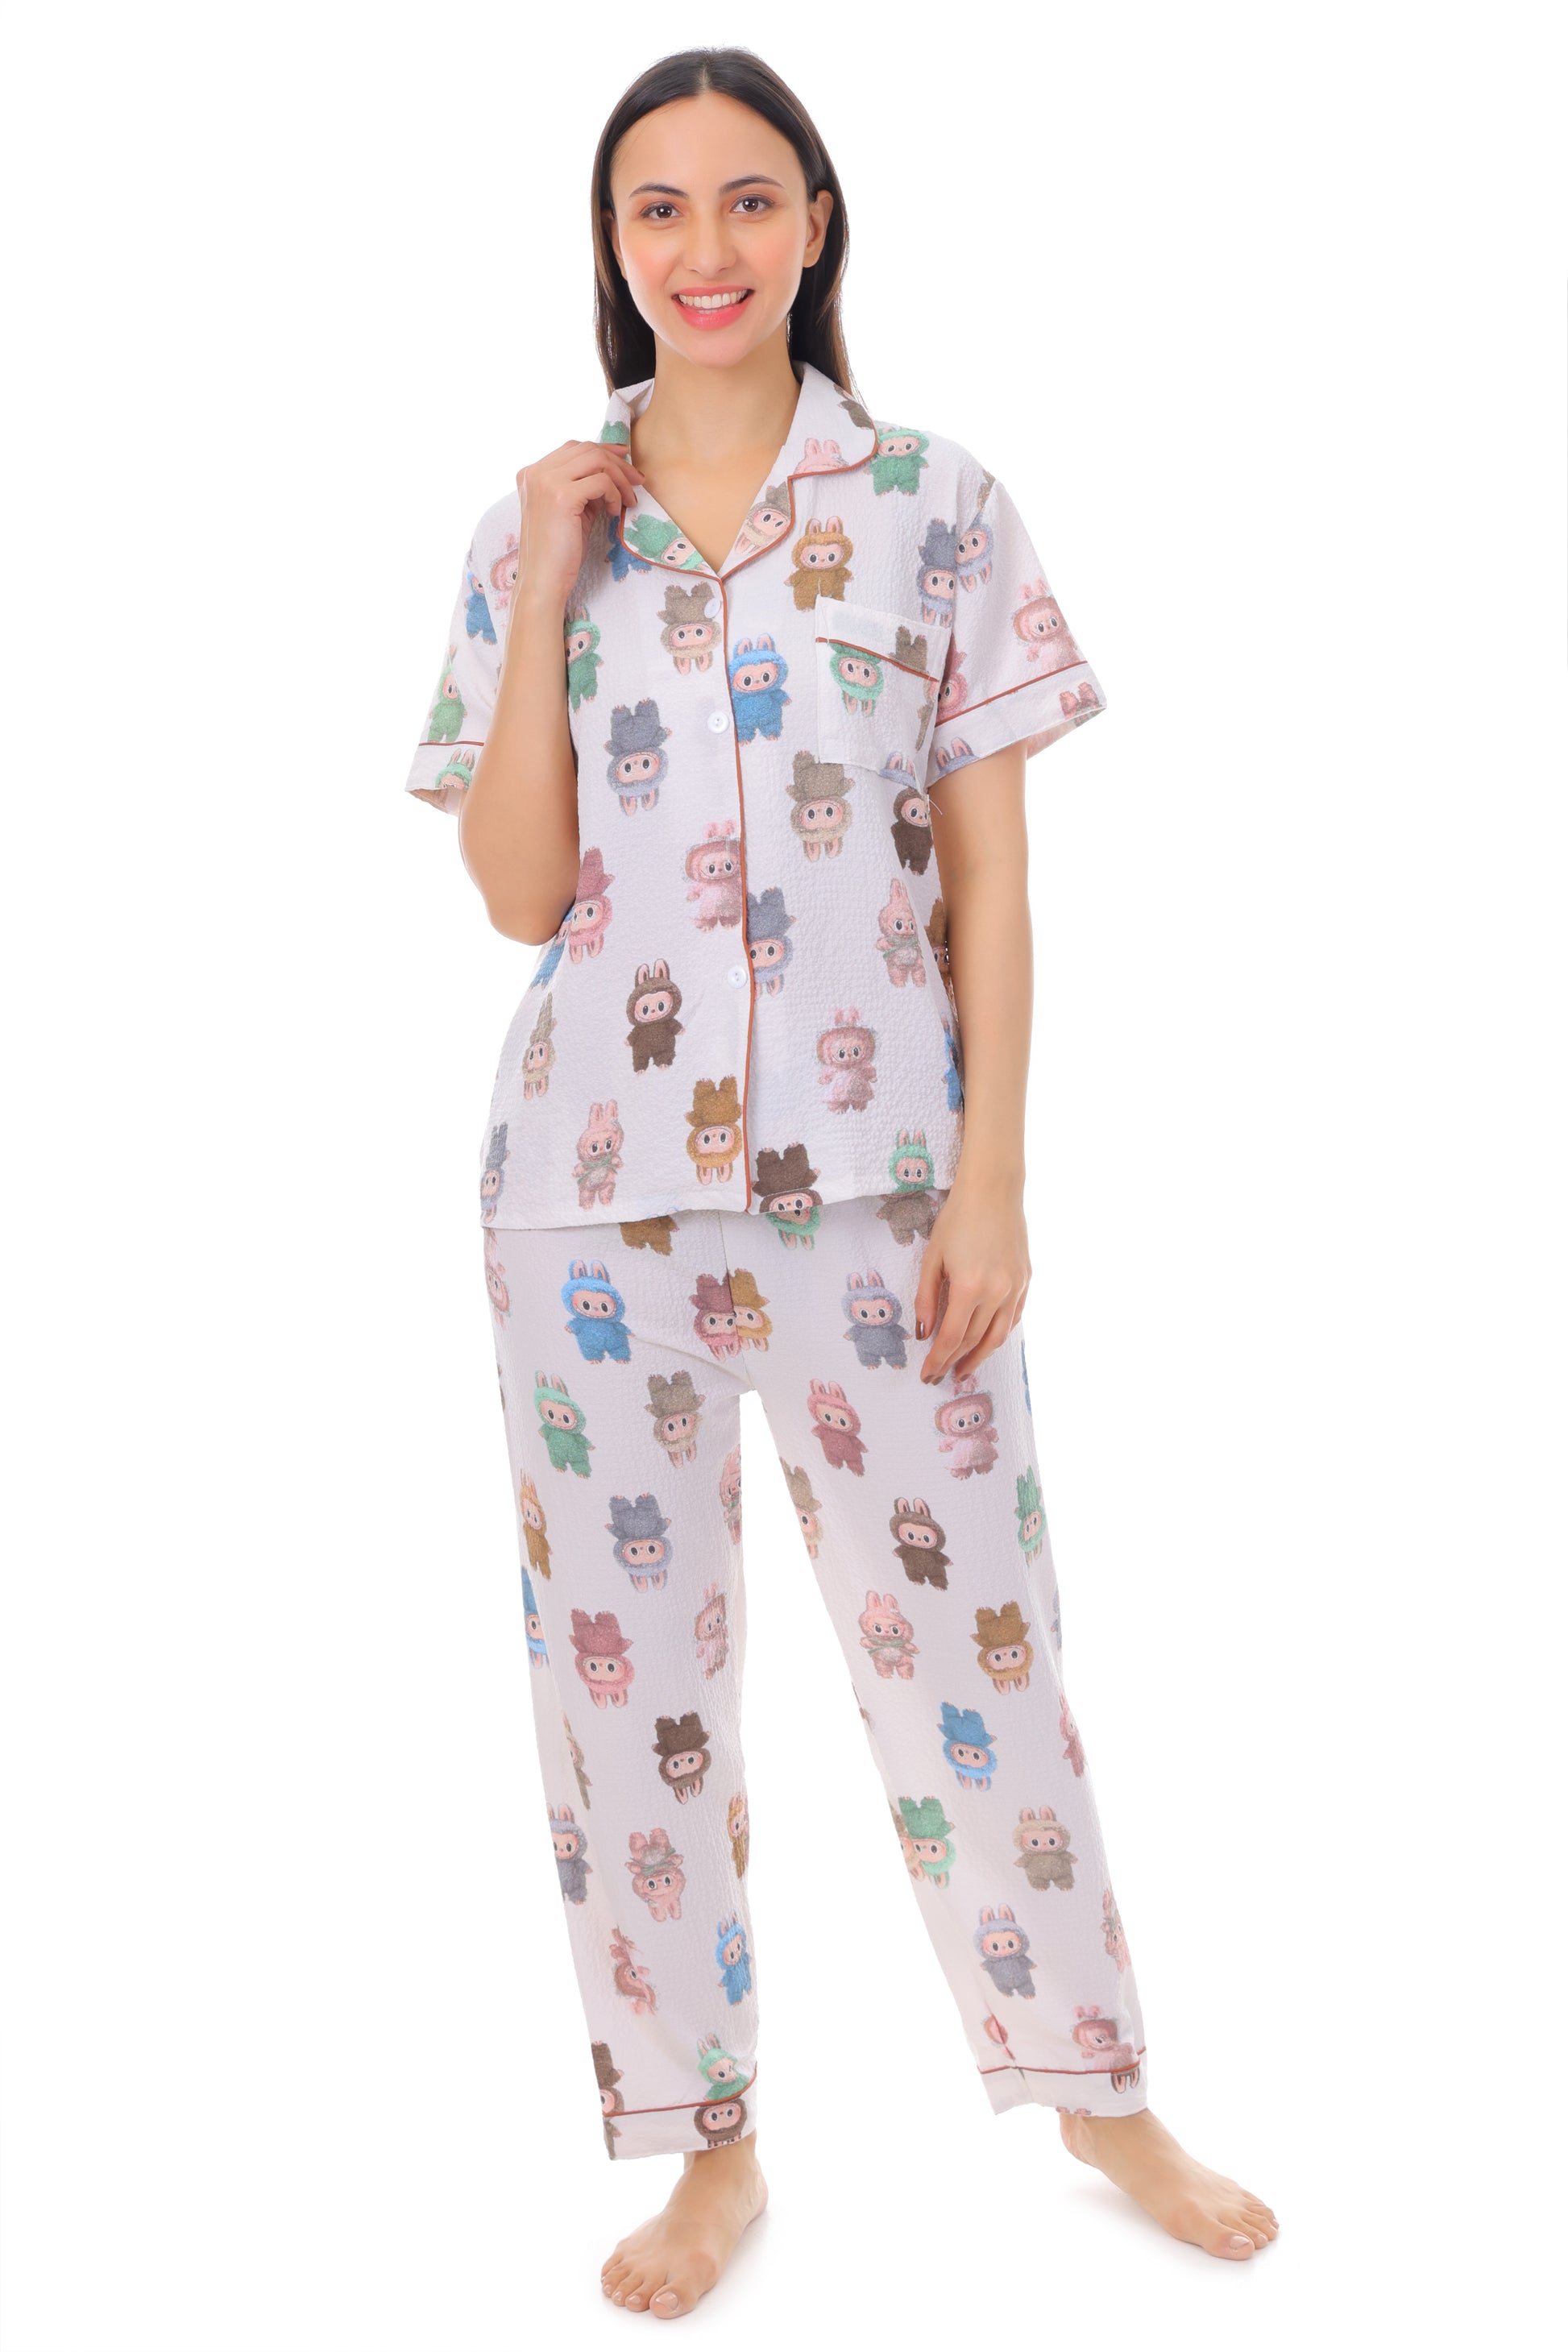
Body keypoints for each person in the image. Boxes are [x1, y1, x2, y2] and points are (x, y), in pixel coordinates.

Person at [404, 44, 1276, 2321]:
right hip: (583, 1208)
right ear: (613, 248)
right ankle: (706, 2151)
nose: (703, 249)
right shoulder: (529, 530)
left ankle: (1095, 2090)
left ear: (814, 225)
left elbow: (990, 883)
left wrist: (993, 1181)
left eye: (747, 200)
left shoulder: (932, 504)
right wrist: (555, 569)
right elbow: (517, 894)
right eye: (657, 209)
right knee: (632, 1695)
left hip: (883, 1192)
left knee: (978, 1646)